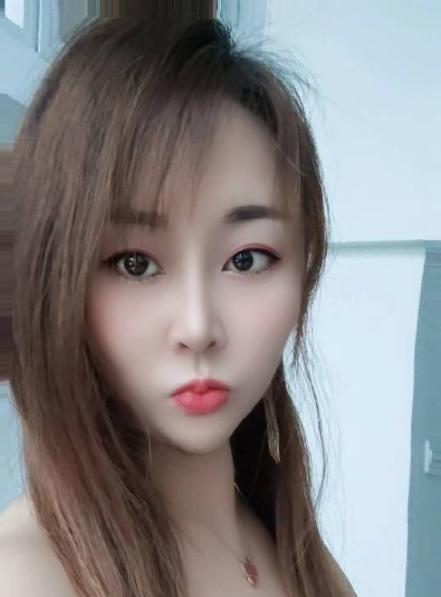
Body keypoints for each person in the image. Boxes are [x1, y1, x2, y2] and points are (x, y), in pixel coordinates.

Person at [0, 16, 357, 597]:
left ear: (304, 262)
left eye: (247, 259)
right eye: (134, 264)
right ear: (56, 276)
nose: (197, 327)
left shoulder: (295, 548)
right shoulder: (27, 576)